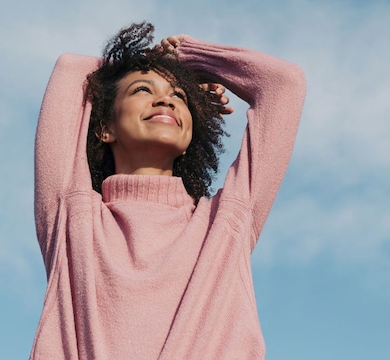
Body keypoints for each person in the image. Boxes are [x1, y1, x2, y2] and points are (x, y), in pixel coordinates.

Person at [31, 22, 306, 360]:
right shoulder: (72, 216)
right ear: (105, 127)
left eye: (179, 96)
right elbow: (72, 69)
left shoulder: (225, 223)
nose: (165, 98)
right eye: (142, 90)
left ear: (192, 133)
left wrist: (191, 58)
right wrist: (147, 62)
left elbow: (284, 84)